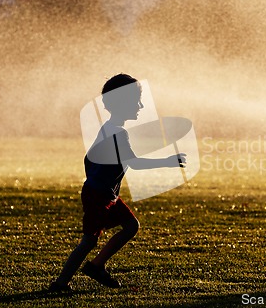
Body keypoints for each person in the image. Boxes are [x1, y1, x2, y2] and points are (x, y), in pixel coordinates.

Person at [49, 73, 186, 291]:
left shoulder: (109, 128)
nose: (141, 106)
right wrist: (169, 161)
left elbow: (88, 159)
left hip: (105, 193)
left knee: (131, 225)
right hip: (99, 195)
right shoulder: (117, 134)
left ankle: (96, 265)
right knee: (88, 241)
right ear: (123, 103)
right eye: (136, 101)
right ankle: (60, 283)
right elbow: (136, 164)